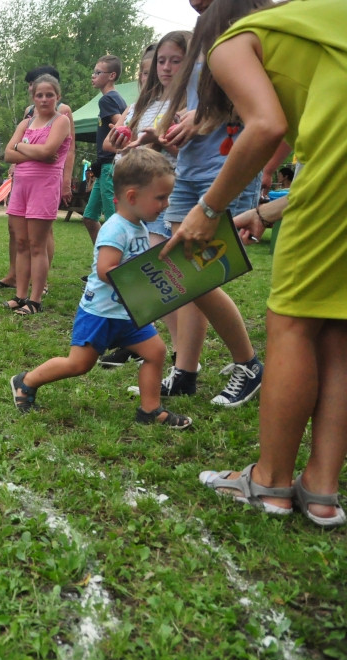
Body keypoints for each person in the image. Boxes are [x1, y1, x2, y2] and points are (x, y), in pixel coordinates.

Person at [161, 0, 346, 525]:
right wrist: (266, 209)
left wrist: (210, 208)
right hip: (330, 168)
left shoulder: (235, 38)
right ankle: (322, 489)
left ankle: (270, 482)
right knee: (337, 329)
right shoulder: (320, 18)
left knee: (292, 325)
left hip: (333, 162)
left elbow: (265, 126)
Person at [12, 148, 191, 430]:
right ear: (132, 197)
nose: (166, 204)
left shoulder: (139, 227)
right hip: (101, 312)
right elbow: (106, 270)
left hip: (128, 312)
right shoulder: (115, 229)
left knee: (155, 352)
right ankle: (27, 381)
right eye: (160, 198)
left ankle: (150, 409)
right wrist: (142, 277)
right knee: (79, 365)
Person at [148, 0, 266, 407]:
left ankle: (249, 364)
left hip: (225, 170)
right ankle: (185, 371)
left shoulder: (249, 25)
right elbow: (195, 110)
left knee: (197, 274)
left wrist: (206, 111)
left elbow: (260, 104)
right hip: (188, 170)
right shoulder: (203, 34)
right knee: (187, 279)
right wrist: (162, 132)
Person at [99, 31, 190, 368]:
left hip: (162, 197)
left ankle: (182, 352)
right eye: (155, 65)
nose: (162, 70)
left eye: (171, 62)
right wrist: (122, 139)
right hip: (131, 199)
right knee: (136, 270)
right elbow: (113, 143)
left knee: (160, 272)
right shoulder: (142, 104)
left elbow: (187, 151)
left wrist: (159, 141)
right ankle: (137, 338)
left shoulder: (184, 105)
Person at [0, 65, 77, 290]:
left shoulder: (62, 119)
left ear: (57, 96)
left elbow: (49, 152)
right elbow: (9, 153)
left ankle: (38, 293)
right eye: (39, 94)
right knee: (21, 241)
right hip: (22, 186)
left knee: (37, 243)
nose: (44, 99)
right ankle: (20, 293)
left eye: (49, 95)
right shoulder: (26, 122)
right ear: (33, 96)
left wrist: (23, 149)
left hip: (45, 186)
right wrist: (26, 149)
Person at [81, 55, 126, 245]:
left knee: (113, 221)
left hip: (110, 167)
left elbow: (124, 129)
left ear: (111, 76)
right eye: (94, 72)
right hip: (104, 168)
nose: (93, 76)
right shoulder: (116, 99)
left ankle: (115, 269)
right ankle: (101, 262)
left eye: (98, 72)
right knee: (90, 218)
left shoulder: (107, 100)